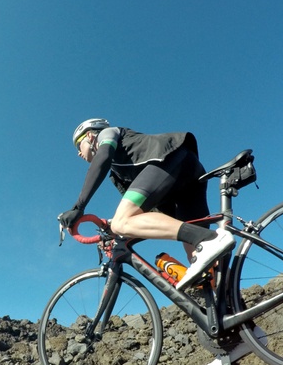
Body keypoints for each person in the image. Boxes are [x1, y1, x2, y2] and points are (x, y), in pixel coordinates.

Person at [58, 118, 235, 290]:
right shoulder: (118, 172)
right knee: (199, 256)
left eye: (78, 145)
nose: (78, 153)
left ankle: (209, 237)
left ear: (90, 136)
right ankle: (231, 303)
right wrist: (112, 228)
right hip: (185, 174)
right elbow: (143, 211)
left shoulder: (107, 133)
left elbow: (102, 158)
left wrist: (78, 207)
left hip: (167, 159)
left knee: (122, 221)